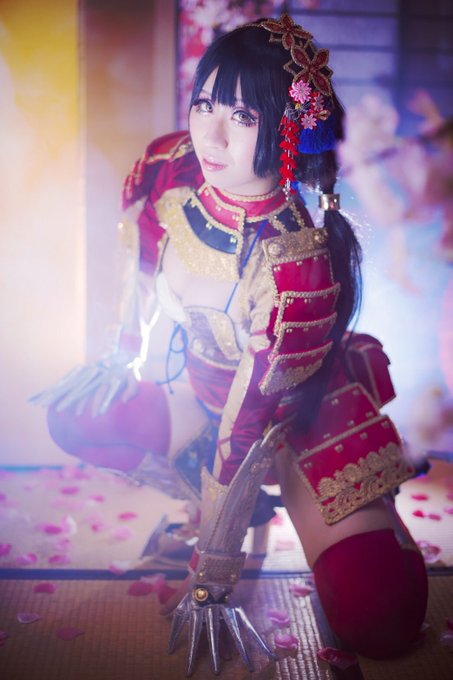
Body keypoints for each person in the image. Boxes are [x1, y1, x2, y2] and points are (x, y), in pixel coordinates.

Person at [32, 13, 428, 675]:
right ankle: (222, 506)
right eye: (205, 104)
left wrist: (212, 572)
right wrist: (122, 357)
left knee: (380, 621)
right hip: (205, 395)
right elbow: (141, 274)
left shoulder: (294, 264)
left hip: (301, 425)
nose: (210, 135)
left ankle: (362, 521)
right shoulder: (169, 168)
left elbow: (249, 429)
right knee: (78, 411)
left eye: (242, 117)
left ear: (287, 130)